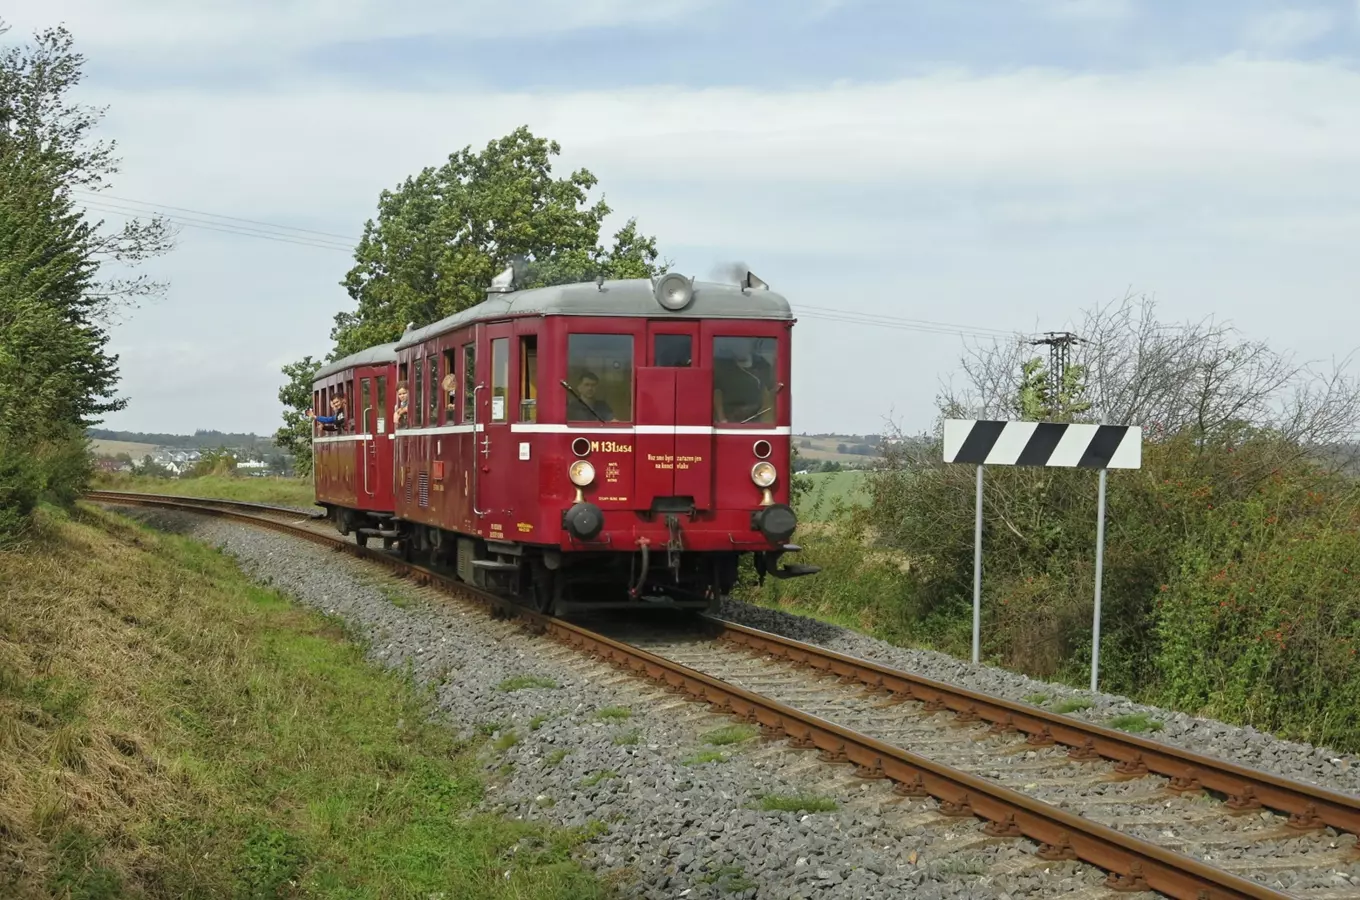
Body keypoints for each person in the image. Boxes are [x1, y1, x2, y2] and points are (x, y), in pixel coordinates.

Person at [713, 340, 773, 423]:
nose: (740, 347)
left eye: (744, 344)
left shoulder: (761, 364)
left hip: (756, 418)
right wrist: (722, 419)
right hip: (729, 419)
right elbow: (716, 391)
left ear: (752, 346)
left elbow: (772, 390)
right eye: (737, 344)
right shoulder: (722, 365)